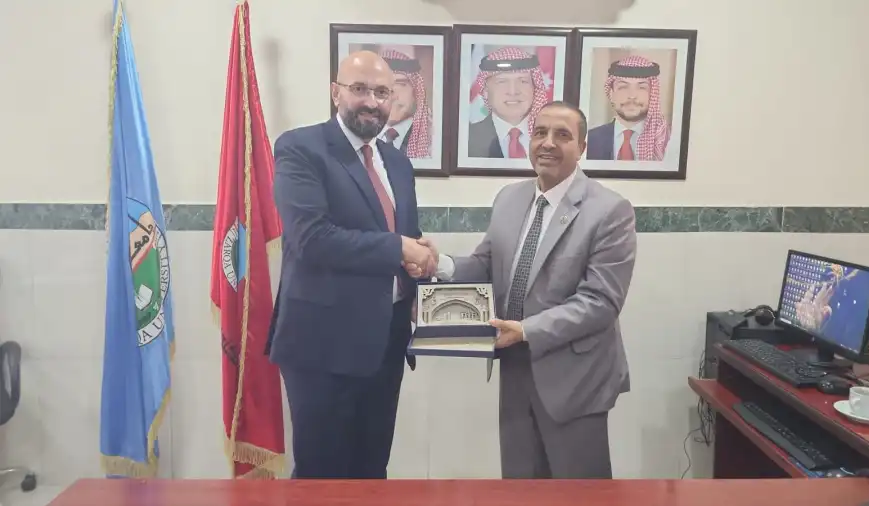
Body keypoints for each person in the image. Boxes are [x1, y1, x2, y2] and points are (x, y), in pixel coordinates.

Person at [419, 101, 637, 479]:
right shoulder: (509, 198)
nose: (548, 143)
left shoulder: (610, 211)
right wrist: (438, 263)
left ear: (582, 147)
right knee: (519, 486)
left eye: (562, 135)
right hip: (515, 370)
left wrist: (526, 330)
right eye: (540, 132)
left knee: (577, 492)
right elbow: (486, 264)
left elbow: (600, 302)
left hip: (575, 379)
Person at [268, 50, 435, 479]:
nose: (371, 101)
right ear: (335, 92)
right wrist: (399, 248)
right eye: (359, 89)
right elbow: (311, 239)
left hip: (386, 342)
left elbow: (401, 237)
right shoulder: (300, 148)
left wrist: (419, 262)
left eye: (382, 92)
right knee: (322, 476)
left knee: (371, 471)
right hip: (322, 346)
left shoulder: (397, 162)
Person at [468, 46, 549, 159]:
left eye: (523, 81)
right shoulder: (467, 138)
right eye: (502, 81)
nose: (513, 91)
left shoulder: (551, 138)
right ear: (485, 91)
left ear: (534, 88)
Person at [585, 55, 671, 161]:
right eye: (623, 87)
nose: (632, 96)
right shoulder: (589, 140)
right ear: (611, 94)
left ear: (653, 94)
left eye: (641, 87)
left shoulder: (667, 141)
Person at [377, 48, 432, 159]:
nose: (392, 96)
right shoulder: (359, 137)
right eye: (383, 88)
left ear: (416, 92)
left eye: (401, 84)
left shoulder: (433, 140)